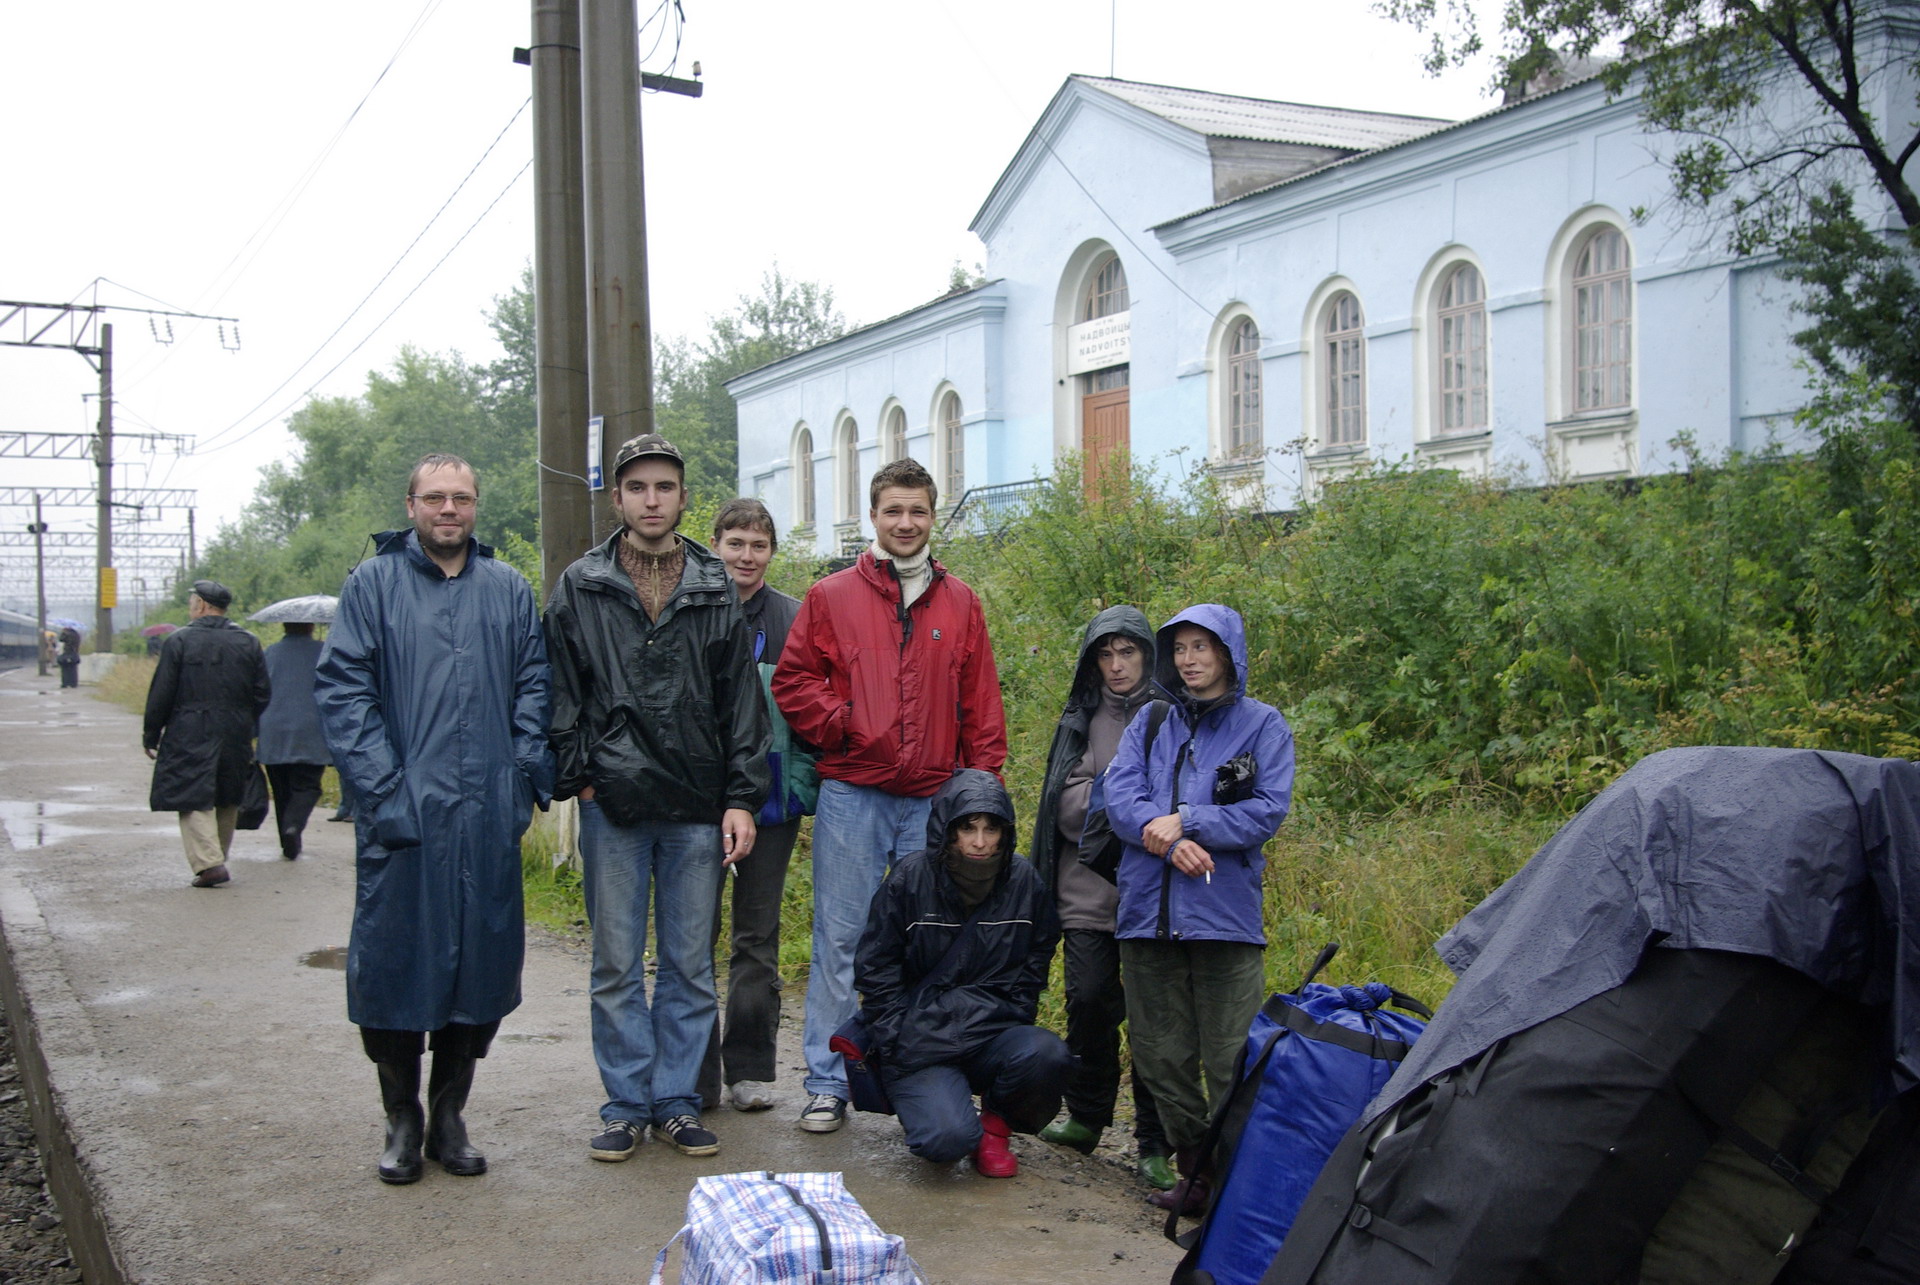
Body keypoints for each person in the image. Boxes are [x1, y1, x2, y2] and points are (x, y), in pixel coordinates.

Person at [315, 454, 553, 1185]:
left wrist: (519, 778)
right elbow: (344, 689)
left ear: (476, 506)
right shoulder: (372, 584)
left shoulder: (507, 588)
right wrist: (384, 790)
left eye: (462, 498)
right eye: (436, 497)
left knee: (480, 966)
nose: (449, 509)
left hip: (486, 812)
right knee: (394, 964)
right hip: (404, 814)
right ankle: (402, 1115)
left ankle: (450, 1113)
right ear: (411, 504)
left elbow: (534, 685)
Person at [544, 434, 770, 1162]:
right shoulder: (583, 583)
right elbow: (560, 690)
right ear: (617, 497)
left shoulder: (712, 583)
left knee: (687, 964)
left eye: (664, 487)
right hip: (612, 803)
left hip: (696, 805)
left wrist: (740, 797)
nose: (651, 500)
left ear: (682, 497)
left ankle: (674, 1101)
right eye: (637, 487)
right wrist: (580, 776)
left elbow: (741, 700)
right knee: (615, 963)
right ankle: (624, 1104)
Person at [773, 457, 1008, 1134]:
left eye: (918, 511)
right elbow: (793, 681)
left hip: (933, 799)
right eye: (894, 511)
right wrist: (848, 723)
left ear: (933, 517)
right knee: (841, 937)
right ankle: (827, 1082)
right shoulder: (831, 596)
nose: (906, 523)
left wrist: (980, 794)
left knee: (929, 942)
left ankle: (916, 1076)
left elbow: (981, 706)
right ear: (873, 516)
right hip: (853, 793)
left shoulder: (961, 602)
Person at [1105, 603, 1295, 1215]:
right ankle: (1196, 1173)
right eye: (1180, 649)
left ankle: (1239, 1184)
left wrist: (1189, 821)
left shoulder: (1264, 726)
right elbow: (1120, 797)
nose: (1188, 660)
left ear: (1228, 653)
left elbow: (1267, 810)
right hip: (1147, 915)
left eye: (1201, 647)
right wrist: (1167, 840)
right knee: (1160, 1054)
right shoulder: (1151, 721)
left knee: (1231, 1054)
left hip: (1225, 918)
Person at [854, 769, 1070, 1177]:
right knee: (946, 1140)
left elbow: (1039, 951)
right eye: (968, 828)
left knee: (1048, 1054)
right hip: (921, 1038)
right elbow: (875, 965)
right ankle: (941, 1109)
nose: (980, 842)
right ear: (947, 830)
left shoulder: (1024, 880)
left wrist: (1017, 1010)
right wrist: (894, 1035)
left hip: (992, 1031)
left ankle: (996, 1127)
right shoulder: (910, 879)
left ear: (1006, 832)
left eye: (991, 829)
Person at [1029, 606, 1175, 1189]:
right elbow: (1064, 811)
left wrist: (1103, 789)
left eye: (1128, 652)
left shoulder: (1174, 716)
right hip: (1085, 894)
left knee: (1153, 1021)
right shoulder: (1080, 720)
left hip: (1155, 898)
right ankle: (1088, 1117)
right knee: (1088, 1002)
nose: (1117, 666)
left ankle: (1155, 1142)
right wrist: (1133, 798)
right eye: (1106, 654)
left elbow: (1179, 802)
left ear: (1148, 655)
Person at [696, 497, 806, 1115]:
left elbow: (813, 706)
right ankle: (693, 1072)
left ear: (771, 552)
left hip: (771, 803)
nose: (746, 556)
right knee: (694, 935)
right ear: (715, 545)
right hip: (697, 803)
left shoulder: (794, 618)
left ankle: (748, 1068)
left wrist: (805, 784)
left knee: (757, 937)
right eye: (735, 543)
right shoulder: (691, 609)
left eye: (758, 545)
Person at [142, 580, 271, 889]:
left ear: (200, 605)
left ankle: (210, 863)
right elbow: (263, 692)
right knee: (228, 794)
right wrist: (244, 721)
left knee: (191, 793)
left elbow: (162, 693)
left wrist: (151, 733)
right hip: (234, 729)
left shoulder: (179, 641)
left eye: (192, 602)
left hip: (188, 728)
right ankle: (216, 858)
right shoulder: (249, 641)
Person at [257, 621, 331, 859]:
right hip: (310, 729)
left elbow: (257, 689)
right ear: (310, 626)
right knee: (307, 786)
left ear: (285, 626)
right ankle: (293, 826)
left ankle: (288, 842)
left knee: (281, 790)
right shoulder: (325, 651)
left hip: (273, 729)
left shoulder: (270, 653)